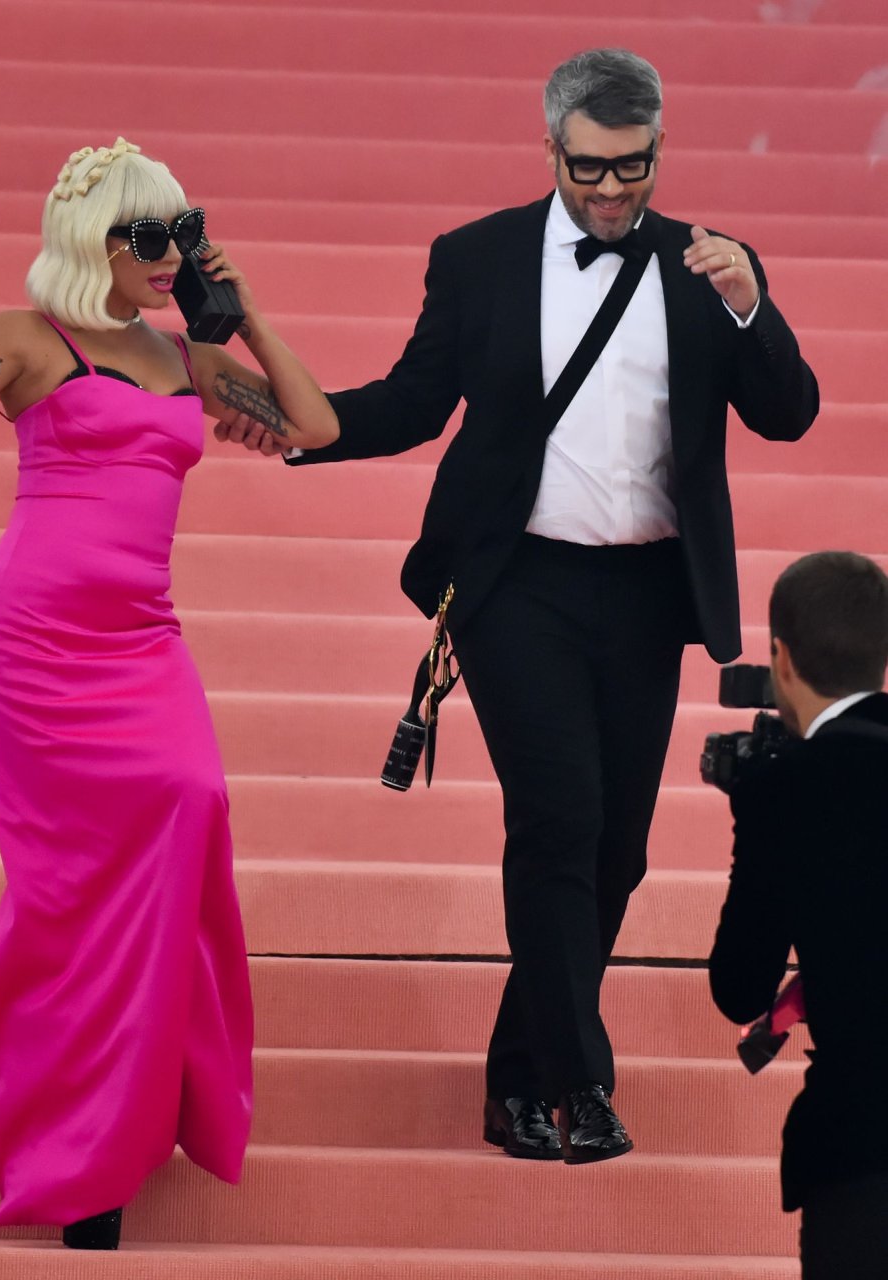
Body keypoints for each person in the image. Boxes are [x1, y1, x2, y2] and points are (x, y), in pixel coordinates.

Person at [216, 49, 819, 1162]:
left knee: (616, 851)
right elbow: (411, 404)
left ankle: (515, 1078)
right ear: (550, 148)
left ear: (657, 149)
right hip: (514, 585)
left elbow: (788, 413)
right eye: (588, 167)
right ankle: (580, 1083)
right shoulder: (480, 258)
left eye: (630, 166)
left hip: (647, 593)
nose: (610, 189)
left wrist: (749, 306)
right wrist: (294, 424)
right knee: (556, 819)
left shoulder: (707, 267)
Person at [0, 137, 339, 1249]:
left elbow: (314, 428)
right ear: (92, 240)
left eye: (183, 231)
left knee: (192, 801)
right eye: (149, 235)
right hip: (34, 645)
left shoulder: (183, 356)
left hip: (142, 641)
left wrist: (244, 315)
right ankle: (86, 1161)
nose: (171, 254)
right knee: (70, 893)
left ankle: (129, 1114)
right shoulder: (29, 338)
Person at [709, 551, 888, 1278]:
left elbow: (739, 988)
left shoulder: (785, 791)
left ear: (780, 658)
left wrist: (753, 819)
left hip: (862, 1144)